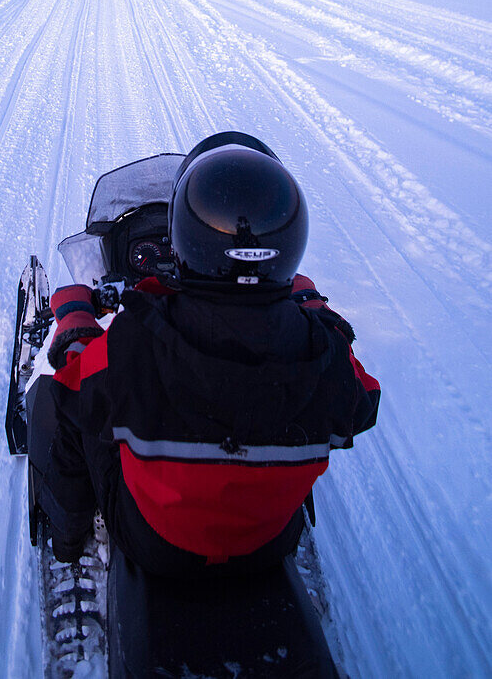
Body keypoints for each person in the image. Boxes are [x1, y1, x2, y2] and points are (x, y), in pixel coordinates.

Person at [29, 134, 380, 573]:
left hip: (156, 543)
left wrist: (75, 318)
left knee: (53, 401)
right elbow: (364, 403)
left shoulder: (135, 342)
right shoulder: (325, 353)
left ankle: (66, 538)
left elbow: (76, 383)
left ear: (182, 240)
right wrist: (316, 308)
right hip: (268, 542)